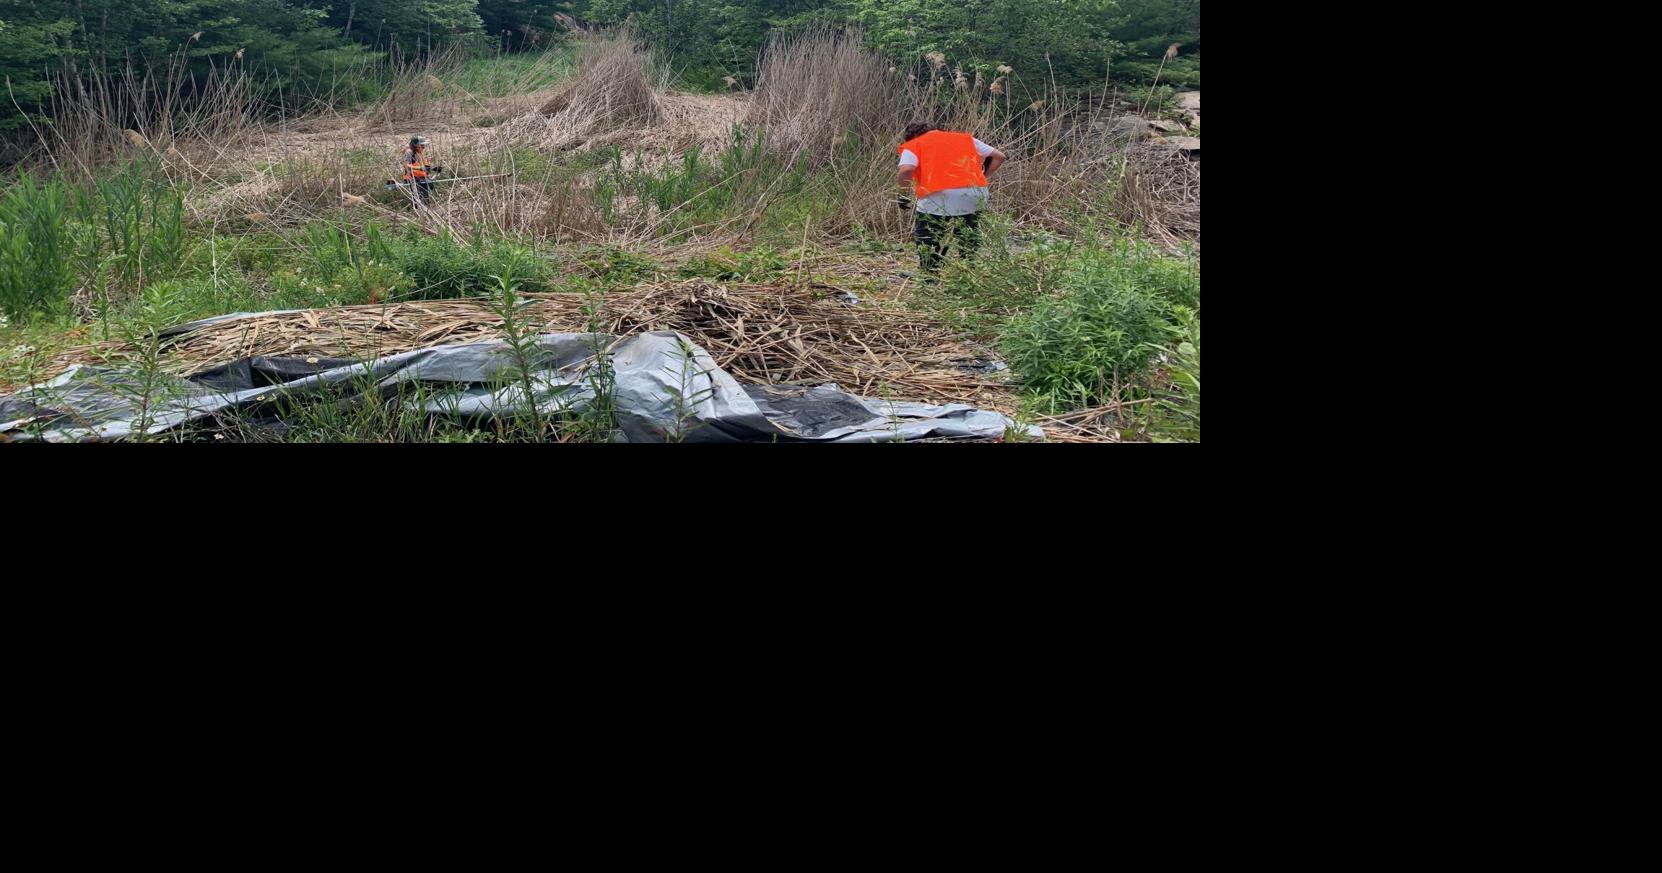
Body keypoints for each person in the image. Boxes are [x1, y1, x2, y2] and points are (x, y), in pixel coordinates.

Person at [896, 122, 1005, 275]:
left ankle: (929, 274)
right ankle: (969, 271)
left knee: (928, 234)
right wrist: (981, 177)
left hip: (939, 195)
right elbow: (999, 156)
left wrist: (902, 193)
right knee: (968, 232)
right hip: (975, 192)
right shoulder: (965, 139)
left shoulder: (914, 144)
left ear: (911, 136)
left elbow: (906, 169)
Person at [400, 136, 444, 205]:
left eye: (424, 145)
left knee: (426, 195)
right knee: (419, 200)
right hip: (412, 179)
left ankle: (425, 208)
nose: (423, 147)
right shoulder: (409, 152)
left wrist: (432, 168)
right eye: (421, 145)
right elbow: (406, 165)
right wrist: (420, 168)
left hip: (420, 178)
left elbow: (421, 165)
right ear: (415, 145)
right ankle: (420, 211)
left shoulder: (417, 152)